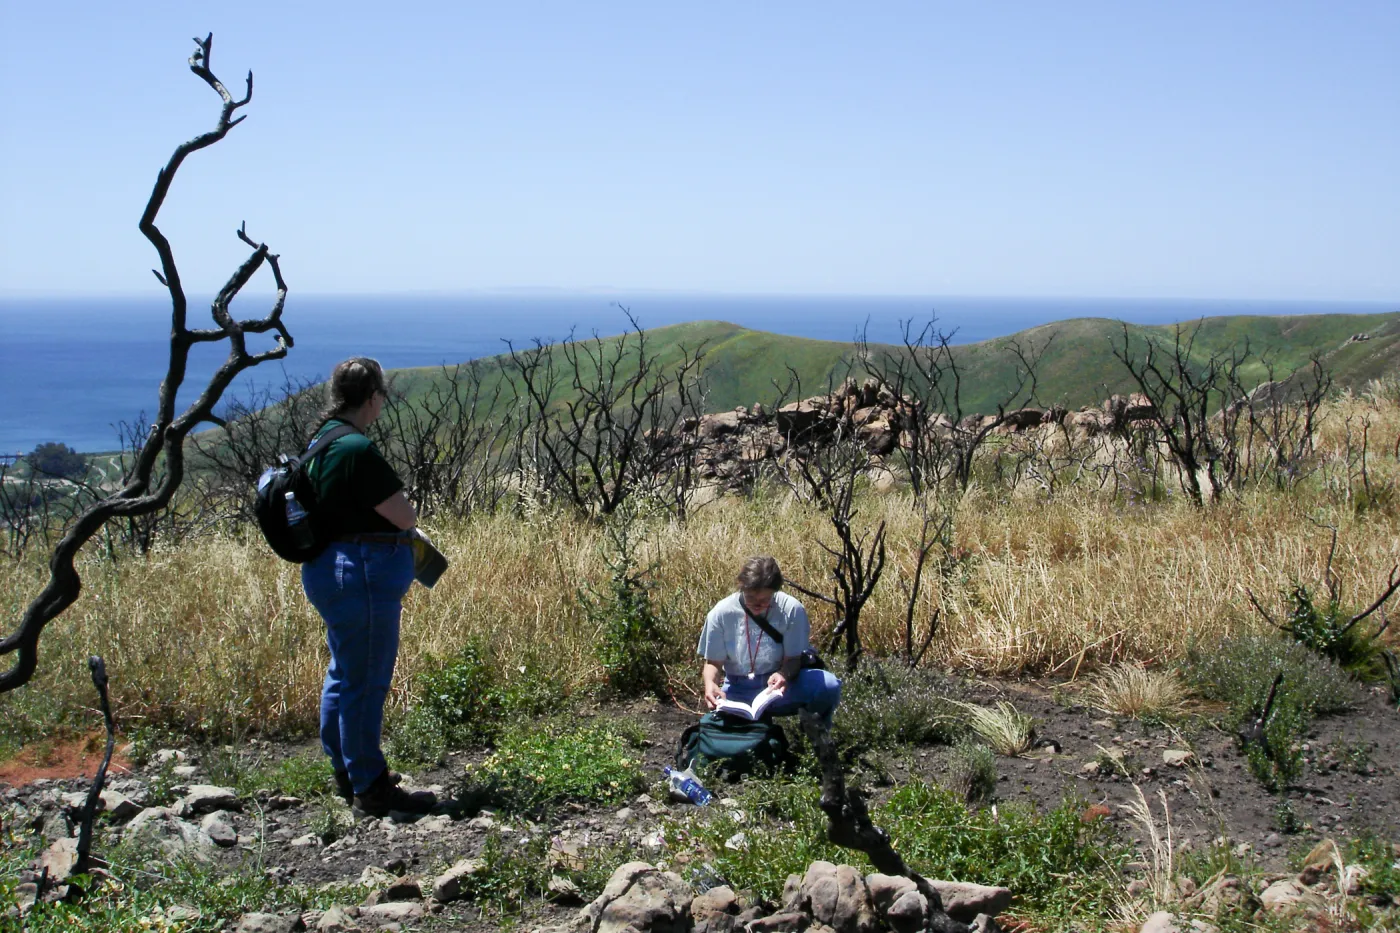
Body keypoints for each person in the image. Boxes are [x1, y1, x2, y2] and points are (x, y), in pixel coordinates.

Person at [300, 357, 434, 817]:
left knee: (344, 672)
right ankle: (372, 788)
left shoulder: (321, 441)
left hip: (328, 567)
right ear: (373, 397)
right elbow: (404, 516)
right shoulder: (356, 448)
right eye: (381, 398)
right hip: (362, 571)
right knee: (366, 680)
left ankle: (348, 769)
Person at [697, 556, 841, 724]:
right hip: (738, 687)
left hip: (779, 688)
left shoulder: (791, 609)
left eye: (765, 600)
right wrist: (710, 684)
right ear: (741, 588)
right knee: (719, 732)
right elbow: (713, 663)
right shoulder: (721, 613)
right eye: (751, 598)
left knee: (828, 685)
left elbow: (793, 659)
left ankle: (813, 736)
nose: (757, 605)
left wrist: (783, 674)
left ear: (775, 592)